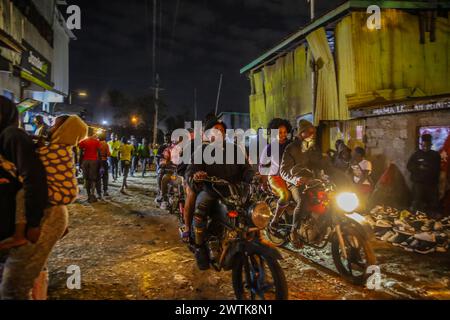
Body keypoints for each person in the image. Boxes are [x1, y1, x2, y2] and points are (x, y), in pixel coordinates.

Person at [186, 119, 256, 270]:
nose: (219, 133)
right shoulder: (202, 151)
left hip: (234, 192)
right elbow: (191, 171)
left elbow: (246, 169)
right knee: (200, 210)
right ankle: (199, 247)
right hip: (211, 191)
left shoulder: (235, 149)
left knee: (251, 214)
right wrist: (196, 176)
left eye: (222, 130)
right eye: (215, 130)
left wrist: (253, 177)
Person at [0, 96, 47, 300]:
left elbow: (34, 177)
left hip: (20, 222)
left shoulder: (12, 135)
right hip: (8, 223)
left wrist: (34, 222)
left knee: (12, 288)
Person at [280, 120, 323, 248]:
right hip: (295, 182)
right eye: (309, 132)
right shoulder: (291, 148)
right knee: (302, 200)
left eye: (314, 132)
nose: (313, 134)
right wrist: (294, 180)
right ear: (301, 133)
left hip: (311, 181)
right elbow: (283, 170)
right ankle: (294, 231)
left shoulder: (312, 147)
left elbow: (319, 163)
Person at [259, 118, 292, 230]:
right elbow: (263, 166)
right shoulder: (269, 148)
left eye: (284, 132)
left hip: (291, 177)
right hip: (275, 177)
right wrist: (264, 183)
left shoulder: (291, 145)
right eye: (279, 132)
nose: (283, 135)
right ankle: (275, 220)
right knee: (285, 195)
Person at [407, 134, 441, 217]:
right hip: (418, 183)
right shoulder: (416, 154)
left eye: (428, 145)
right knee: (417, 200)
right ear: (421, 145)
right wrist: (419, 167)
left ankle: (432, 219)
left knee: (433, 202)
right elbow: (409, 166)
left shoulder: (435, 155)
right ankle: (414, 217)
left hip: (431, 183)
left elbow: (438, 168)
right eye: (424, 145)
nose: (425, 147)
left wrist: (429, 168)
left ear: (431, 145)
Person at [79, 131, 101, 203]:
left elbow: (80, 152)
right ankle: (92, 195)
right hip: (94, 161)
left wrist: (80, 163)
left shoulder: (83, 141)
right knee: (93, 179)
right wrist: (100, 164)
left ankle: (88, 196)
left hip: (85, 161)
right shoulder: (97, 142)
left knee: (87, 179)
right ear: (93, 134)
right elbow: (99, 153)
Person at [350, 147, 374, 211]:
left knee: (362, 204)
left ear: (359, 154)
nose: (352, 154)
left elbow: (364, 176)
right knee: (355, 204)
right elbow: (351, 174)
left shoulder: (366, 163)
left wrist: (357, 186)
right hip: (356, 185)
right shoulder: (353, 162)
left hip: (364, 185)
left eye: (353, 153)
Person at [155, 133, 173, 203]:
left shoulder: (175, 147)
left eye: (168, 138)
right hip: (163, 165)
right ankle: (161, 193)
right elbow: (158, 156)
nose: (167, 140)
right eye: (166, 139)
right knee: (160, 175)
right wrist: (161, 163)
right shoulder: (162, 147)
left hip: (173, 166)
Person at [97, 133, 111, 197]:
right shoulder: (106, 144)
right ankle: (105, 191)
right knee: (105, 177)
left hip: (97, 161)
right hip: (104, 161)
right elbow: (108, 154)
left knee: (98, 177)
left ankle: (99, 193)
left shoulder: (96, 143)